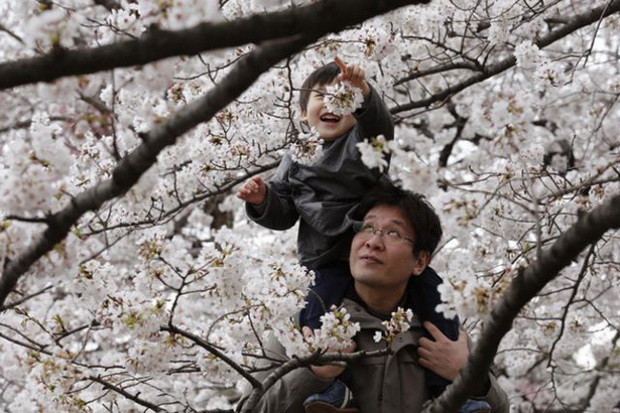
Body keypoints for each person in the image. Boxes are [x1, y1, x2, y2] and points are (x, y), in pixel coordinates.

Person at [236, 57, 459, 410]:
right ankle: (329, 389)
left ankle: (452, 391)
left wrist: (365, 94)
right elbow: (283, 211)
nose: (331, 103)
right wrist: (262, 199)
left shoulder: (363, 146)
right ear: (303, 113)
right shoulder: (296, 158)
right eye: (321, 96)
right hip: (326, 260)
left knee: (440, 302)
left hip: (363, 258)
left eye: (342, 98)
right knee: (314, 315)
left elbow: (380, 129)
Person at [244, 183, 510, 413]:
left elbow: (498, 409)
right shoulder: (300, 323)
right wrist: (315, 375)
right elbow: (250, 408)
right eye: (367, 227)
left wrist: (471, 378)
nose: (373, 241)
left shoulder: (442, 334)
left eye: (393, 233)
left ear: (420, 261)